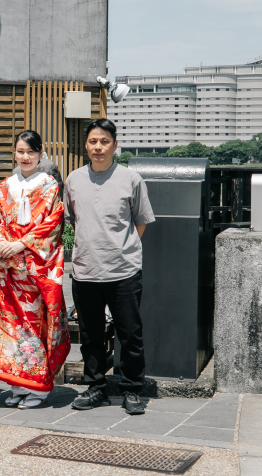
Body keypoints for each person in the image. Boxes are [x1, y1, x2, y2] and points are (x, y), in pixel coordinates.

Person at [64, 119, 155, 415]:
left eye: (104, 141)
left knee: (130, 333)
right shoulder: (73, 180)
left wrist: (122, 249)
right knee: (90, 335)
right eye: (93, 141)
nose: (98, 147)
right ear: (86, 146)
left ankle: (131, 389)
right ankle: (95, 388)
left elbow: (141, 221)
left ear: (115, 145)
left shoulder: (131, 179)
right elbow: (71, 220)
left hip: (123, 271)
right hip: (85, 270)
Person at [0, 130, 70, 409]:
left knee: (33, 327)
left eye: (31, 151)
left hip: (33, 273)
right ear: (14, 154)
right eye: (20, 151)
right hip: (6, 272)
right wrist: (2, 242)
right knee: (9, 328)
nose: (25, 157)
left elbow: (52, 224)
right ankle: (17, 384)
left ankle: (38, 387)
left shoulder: (49, 185)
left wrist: (21, 245)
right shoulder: (5, 186)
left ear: (41, 154)